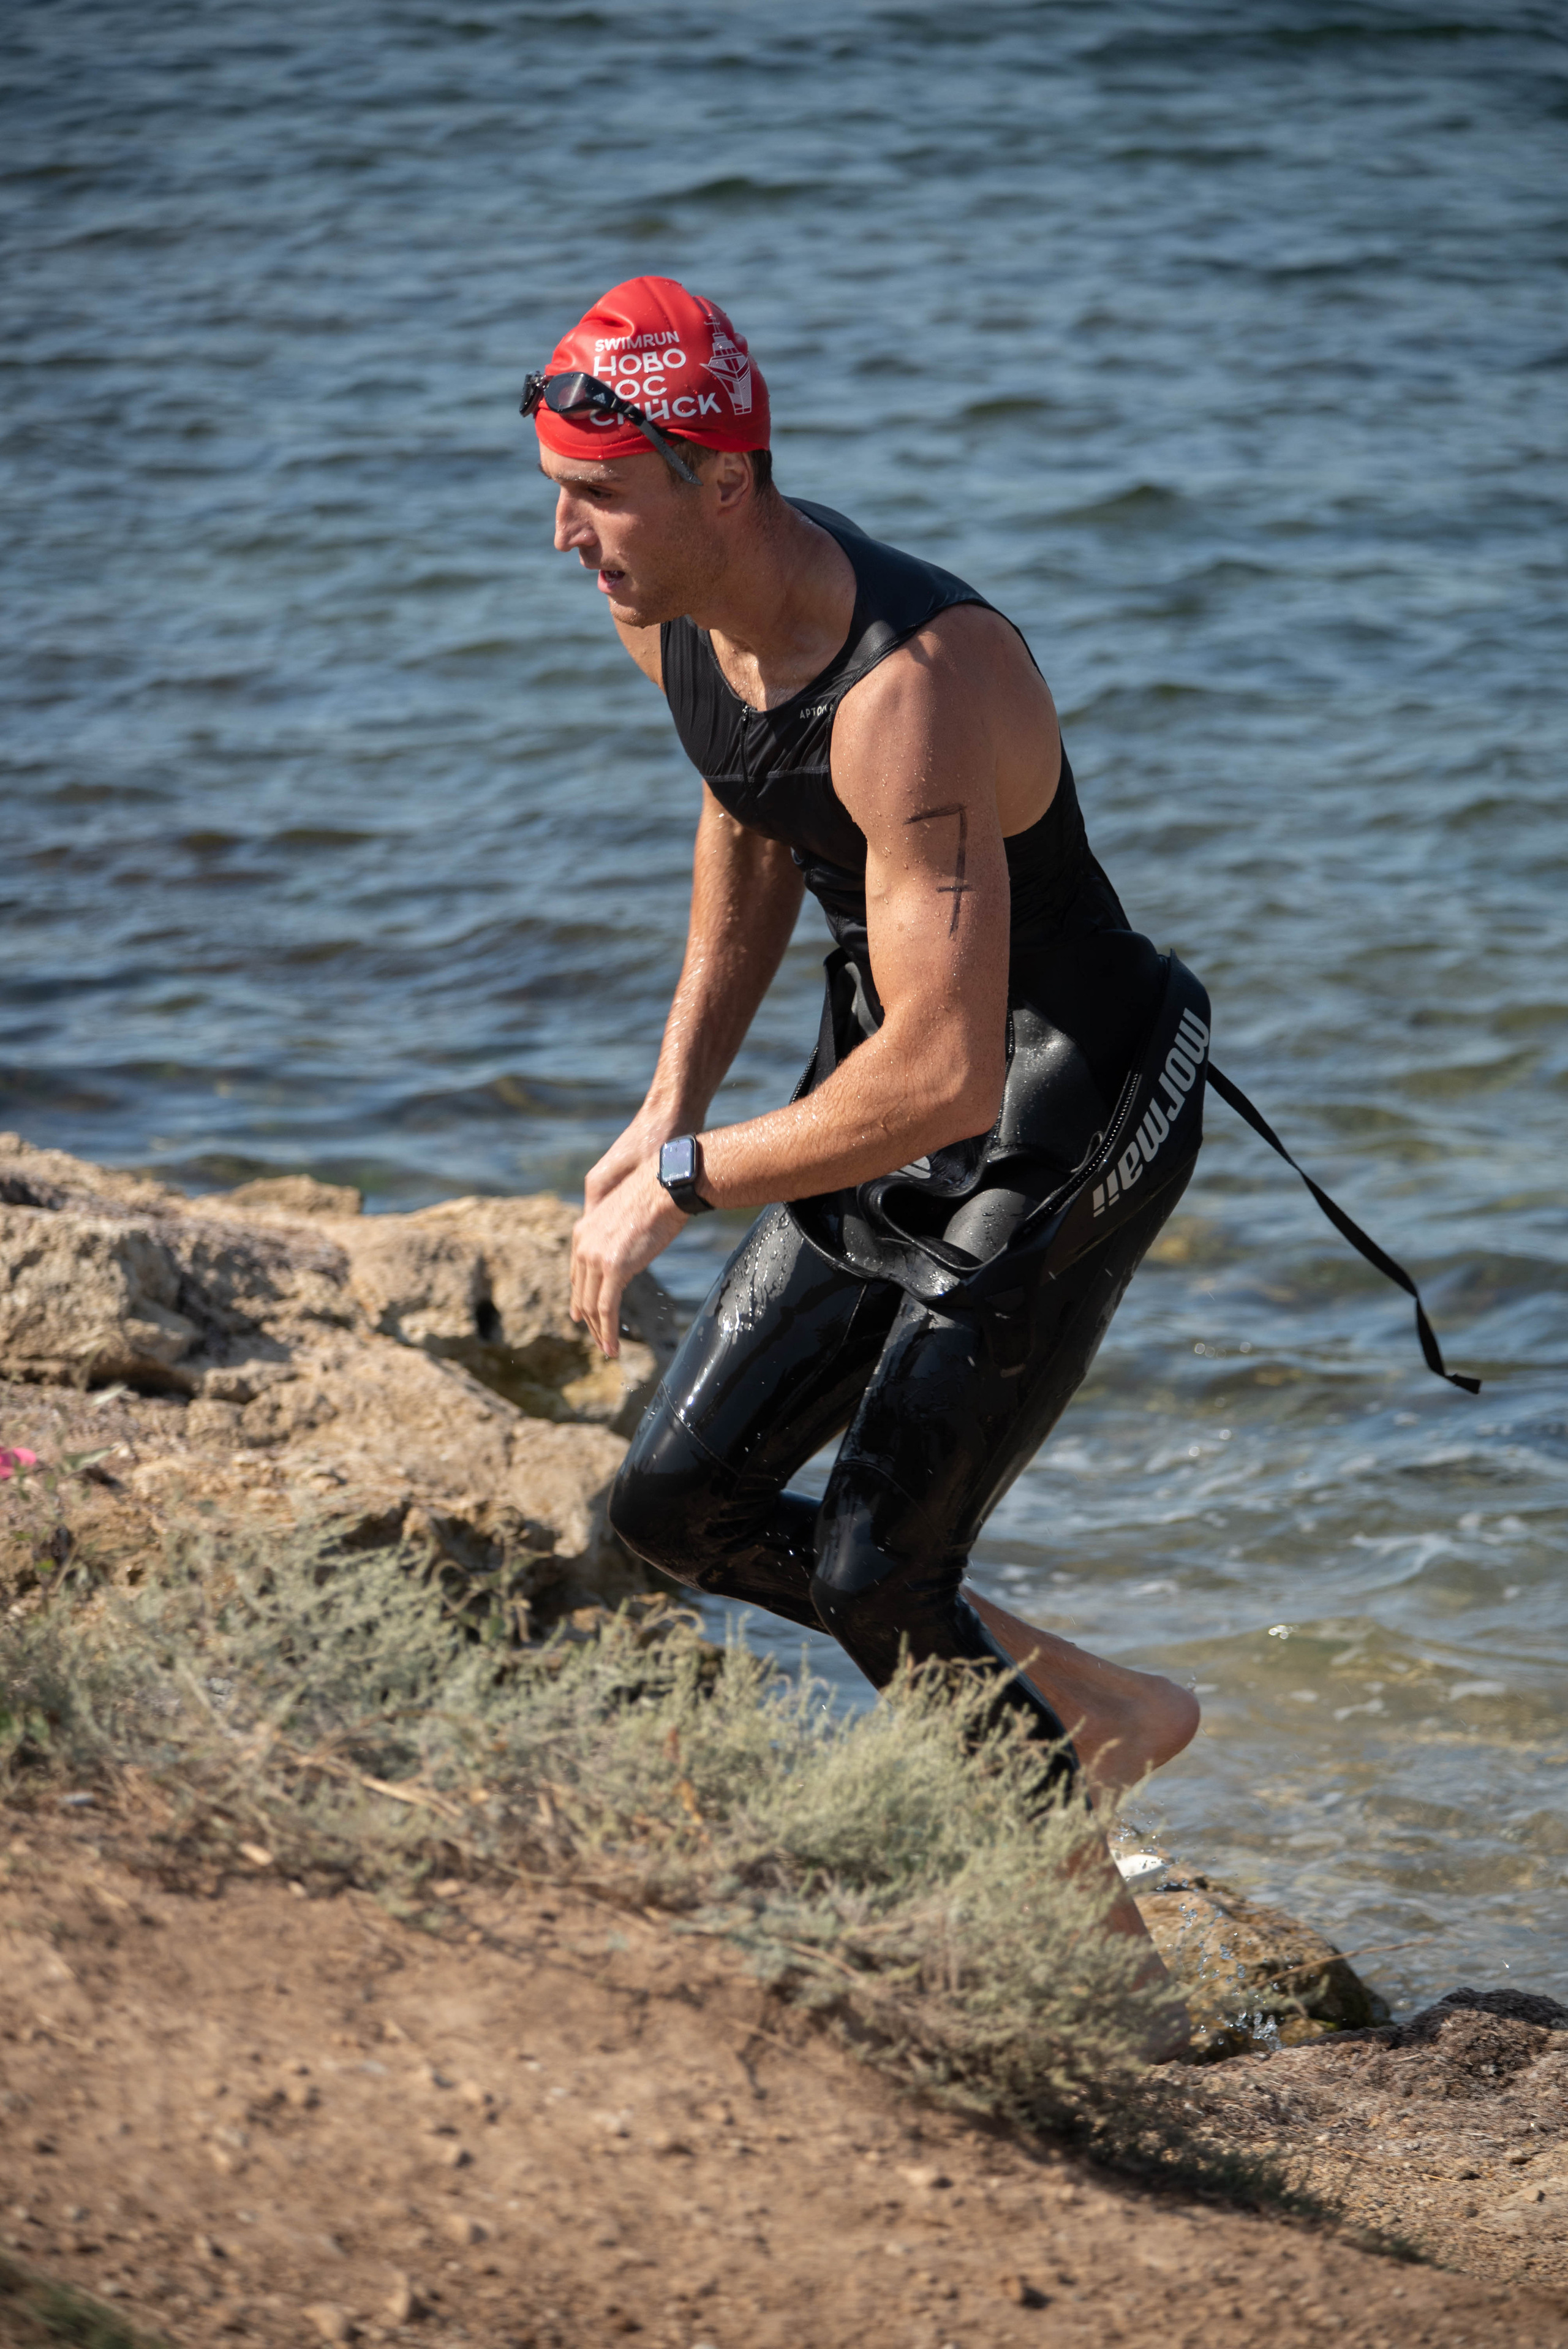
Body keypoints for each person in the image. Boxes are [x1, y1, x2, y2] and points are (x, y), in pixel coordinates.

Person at [526, 275, 1205, 1935]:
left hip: (1071, 1095)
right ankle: (1097, 1711)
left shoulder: (914, 689)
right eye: (556, 491)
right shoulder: (670, 607)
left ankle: (1108, 1970)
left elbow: (951, 1075)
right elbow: (747, 805)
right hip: (900, 1070)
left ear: (723, 482)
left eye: (597, 496)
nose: (564, 537)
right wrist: (669, 1099)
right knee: (675, 1505)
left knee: (876, 1571)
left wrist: (690, 1176)